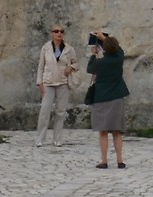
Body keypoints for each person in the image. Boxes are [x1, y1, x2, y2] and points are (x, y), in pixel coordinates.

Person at [85, 32, 130, 168]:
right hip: (117, 97)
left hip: (101, 98)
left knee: (103, 132)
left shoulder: (100, 63)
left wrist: (93, 54)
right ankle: (120, 160)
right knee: (117, 131)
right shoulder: (118, 59)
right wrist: (105, 39)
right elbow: (120, 51)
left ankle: (104, 161)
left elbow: (90, 69)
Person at [33, 26, 78, 147]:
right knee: (45, 110)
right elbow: (41, 66)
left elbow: (76, 63)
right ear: (51, 34)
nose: (59, 33)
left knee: (60, 112)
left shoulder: (68, 48)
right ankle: (40, 138)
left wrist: (71, 67)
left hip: (63, 83)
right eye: (56, 31)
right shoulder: (46, 48)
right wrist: (39, 82)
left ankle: (57, 138)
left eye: (61, 31)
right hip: (48, 82)